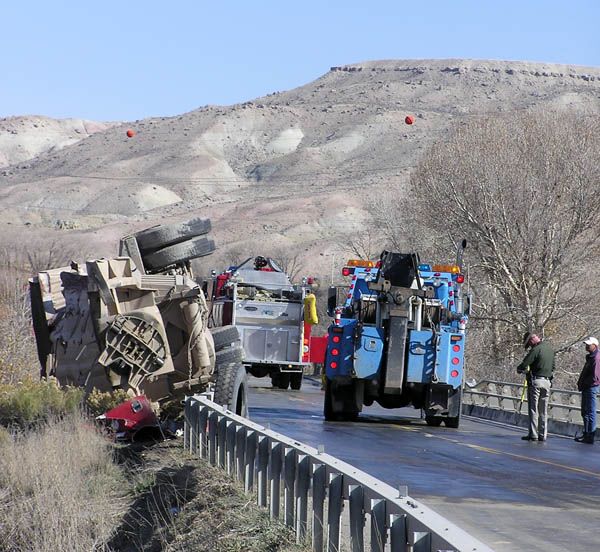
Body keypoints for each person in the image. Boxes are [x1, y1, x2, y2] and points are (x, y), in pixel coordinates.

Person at [516, 332, 556, 441]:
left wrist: (519, 369)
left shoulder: (536, 350)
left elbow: (525, 363)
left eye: (529, 343)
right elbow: (553, 367)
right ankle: (543, 434)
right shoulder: (549, 349)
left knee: (534, 409)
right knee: (544, 410)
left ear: (532, 339)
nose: (530, 345)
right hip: (547, 382)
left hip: (536, 381)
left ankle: (533, 434)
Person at [575, 336, 600, 444]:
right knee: (585, 411)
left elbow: (595, 376)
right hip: (587, 387)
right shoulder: (591, 357)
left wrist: (584, 383)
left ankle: (590, 435)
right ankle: (586, 433)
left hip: (591, 387)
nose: (587, 346)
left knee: (590, 412)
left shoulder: (596, 358)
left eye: (589, 344)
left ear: (595, 345)